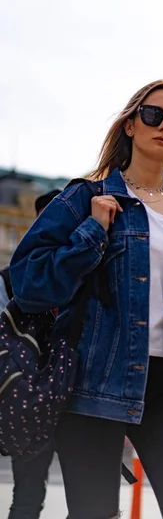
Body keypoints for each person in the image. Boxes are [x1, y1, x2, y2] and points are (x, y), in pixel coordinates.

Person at [10, 79, 163, 519]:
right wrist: (92, 233)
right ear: (131, 125)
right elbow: (28, 283)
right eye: (153, 115)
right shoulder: (85, 197)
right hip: (92, 386)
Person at [0, 189, 61, 519]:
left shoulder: (89, 272)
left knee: (92, 495)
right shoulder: (10, 279)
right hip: (29, 402)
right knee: (28, 494)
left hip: (77, 400)